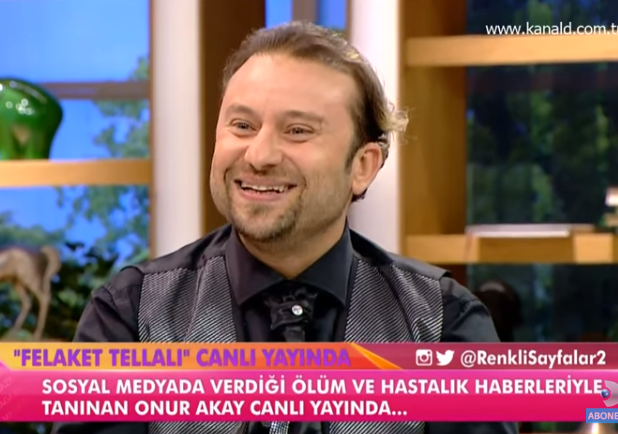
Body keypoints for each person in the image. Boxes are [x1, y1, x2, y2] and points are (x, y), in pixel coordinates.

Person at [53, 21, 518, 434]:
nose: (259, 155)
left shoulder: (444, 324)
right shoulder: (130, 316)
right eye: (242, 125)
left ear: (362, 166)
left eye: (297, 131)